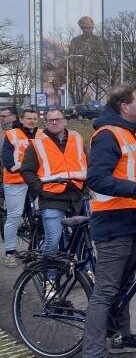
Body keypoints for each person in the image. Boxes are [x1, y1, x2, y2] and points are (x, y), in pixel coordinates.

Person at [82, 84, 136, 358]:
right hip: (113, 222)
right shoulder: (108, 135)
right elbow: (96, 178)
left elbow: (135, 176)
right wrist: (134, 190)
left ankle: (120, 336)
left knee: (124, 285)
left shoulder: (129, 133)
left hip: (131, 218)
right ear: (125, 106)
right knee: (106, 290)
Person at [20, 109, 87, 264]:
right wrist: (41, 189)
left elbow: (85, 162)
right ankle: (48, 275)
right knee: (53, 240)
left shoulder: (77, 138)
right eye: (51, 120)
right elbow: (26, 171)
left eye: (58, 119)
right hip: (51, 198)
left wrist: (87, 183)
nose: (55, 122)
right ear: (46, 123)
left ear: (65, 121)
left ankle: (86, 270)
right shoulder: (37, 144)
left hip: (76, 195)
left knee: (81, 239)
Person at [3, 108, 40, 268]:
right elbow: (7, 157)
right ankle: (9, 253)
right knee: (14, 216)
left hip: (36, 179)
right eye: (29, 118)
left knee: (43, 214)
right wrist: (12, 167)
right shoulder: (12, 134)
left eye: (34, 119)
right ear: (22, 120)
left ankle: (40, 247)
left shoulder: (41, 134)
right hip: (16, 180)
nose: (32, 121)